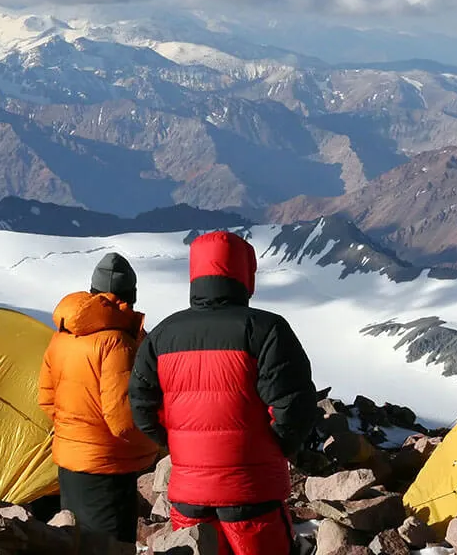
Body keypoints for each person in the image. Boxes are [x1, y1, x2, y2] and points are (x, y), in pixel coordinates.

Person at [129, 231, 318, 555]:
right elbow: (294, 403)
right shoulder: (267, 329)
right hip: (252, 493)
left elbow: (142, 405)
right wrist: (276, 447)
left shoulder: (162, 335)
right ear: (246, 274)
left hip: (188, 496)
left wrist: (179, 442)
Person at [38, 252, 159, 544]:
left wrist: (76, 435)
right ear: (130, 296)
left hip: (70, 464)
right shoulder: (116, 342)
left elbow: (46, 399)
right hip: (108, 468)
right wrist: (158, 442)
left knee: (77, 543)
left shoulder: (64, 335)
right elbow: (124, 421)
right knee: (110, 546)